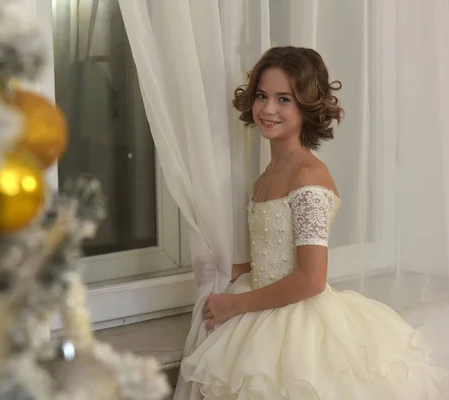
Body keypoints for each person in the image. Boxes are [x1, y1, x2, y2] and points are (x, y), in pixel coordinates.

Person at [177, 46, 449, 399]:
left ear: (307, 106)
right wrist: (230, 268)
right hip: (263, 304)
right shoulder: (267, 176)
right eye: (262, 96)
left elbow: (311, 279)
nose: (268, 109)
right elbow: (272, 259)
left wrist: (235, 305)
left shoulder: (308, 178)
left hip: (297, 323)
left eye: (284, 99)